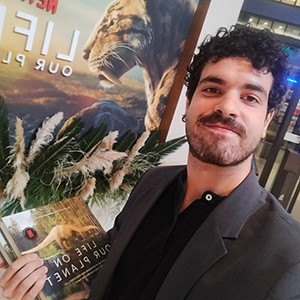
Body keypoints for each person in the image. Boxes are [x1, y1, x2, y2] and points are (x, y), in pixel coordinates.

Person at [1, 25, 300, 300]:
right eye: (212, 89)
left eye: (250, 97)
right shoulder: (153, 183)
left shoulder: (287, 257)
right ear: (189, 104)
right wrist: (37, 279)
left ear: (267, 121)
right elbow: (101, 275)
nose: (227, 107)